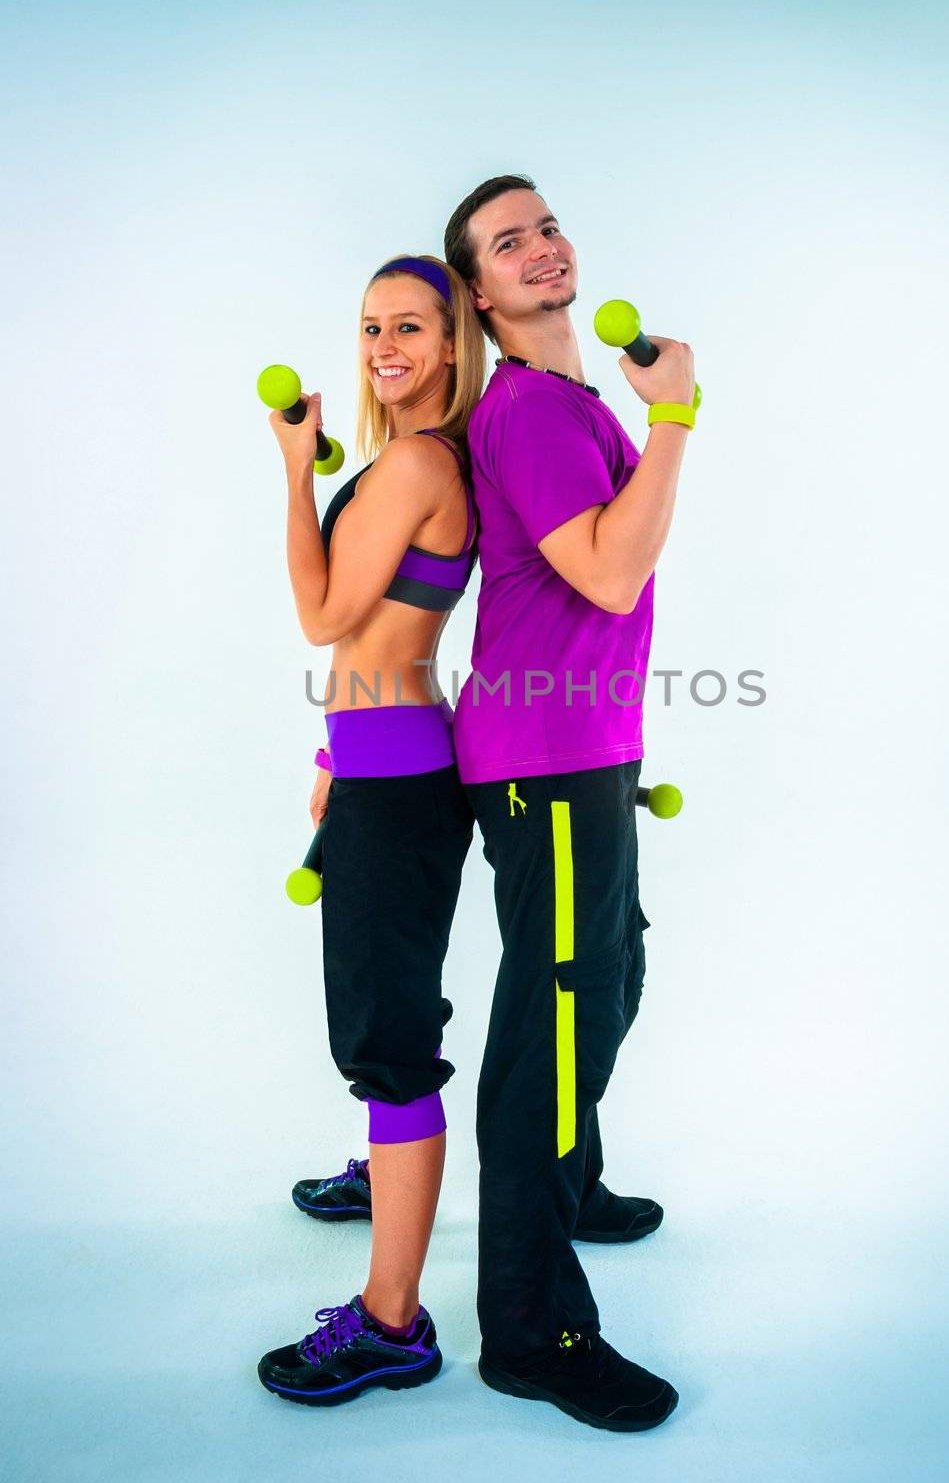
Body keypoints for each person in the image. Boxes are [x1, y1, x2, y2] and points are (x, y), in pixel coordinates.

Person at [443, 176, 697, 1432]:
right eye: (508, 243)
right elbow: (606, 572)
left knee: (613, 973)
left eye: (545, 226)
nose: (540, 248)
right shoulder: (533, 409)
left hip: (579, 748)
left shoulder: (567, 398)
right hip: (539, 760)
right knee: (548, 1037)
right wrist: (676, 422)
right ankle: (530, 1329)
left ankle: (569, 1178)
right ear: (480, 295)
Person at [258, 254, 484, 1406]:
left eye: (410, 327)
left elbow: (323, 615)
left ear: (452, 345)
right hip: (380, 765)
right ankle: (385, 1167)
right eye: (368, 327)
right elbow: (372, 640)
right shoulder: (415, 460)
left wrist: (295, 473)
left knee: (390, 1039)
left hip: (397, 787)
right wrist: (328, 754)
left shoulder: (414, 460)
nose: (385, 345)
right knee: (379, 1015)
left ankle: (393, 1322)